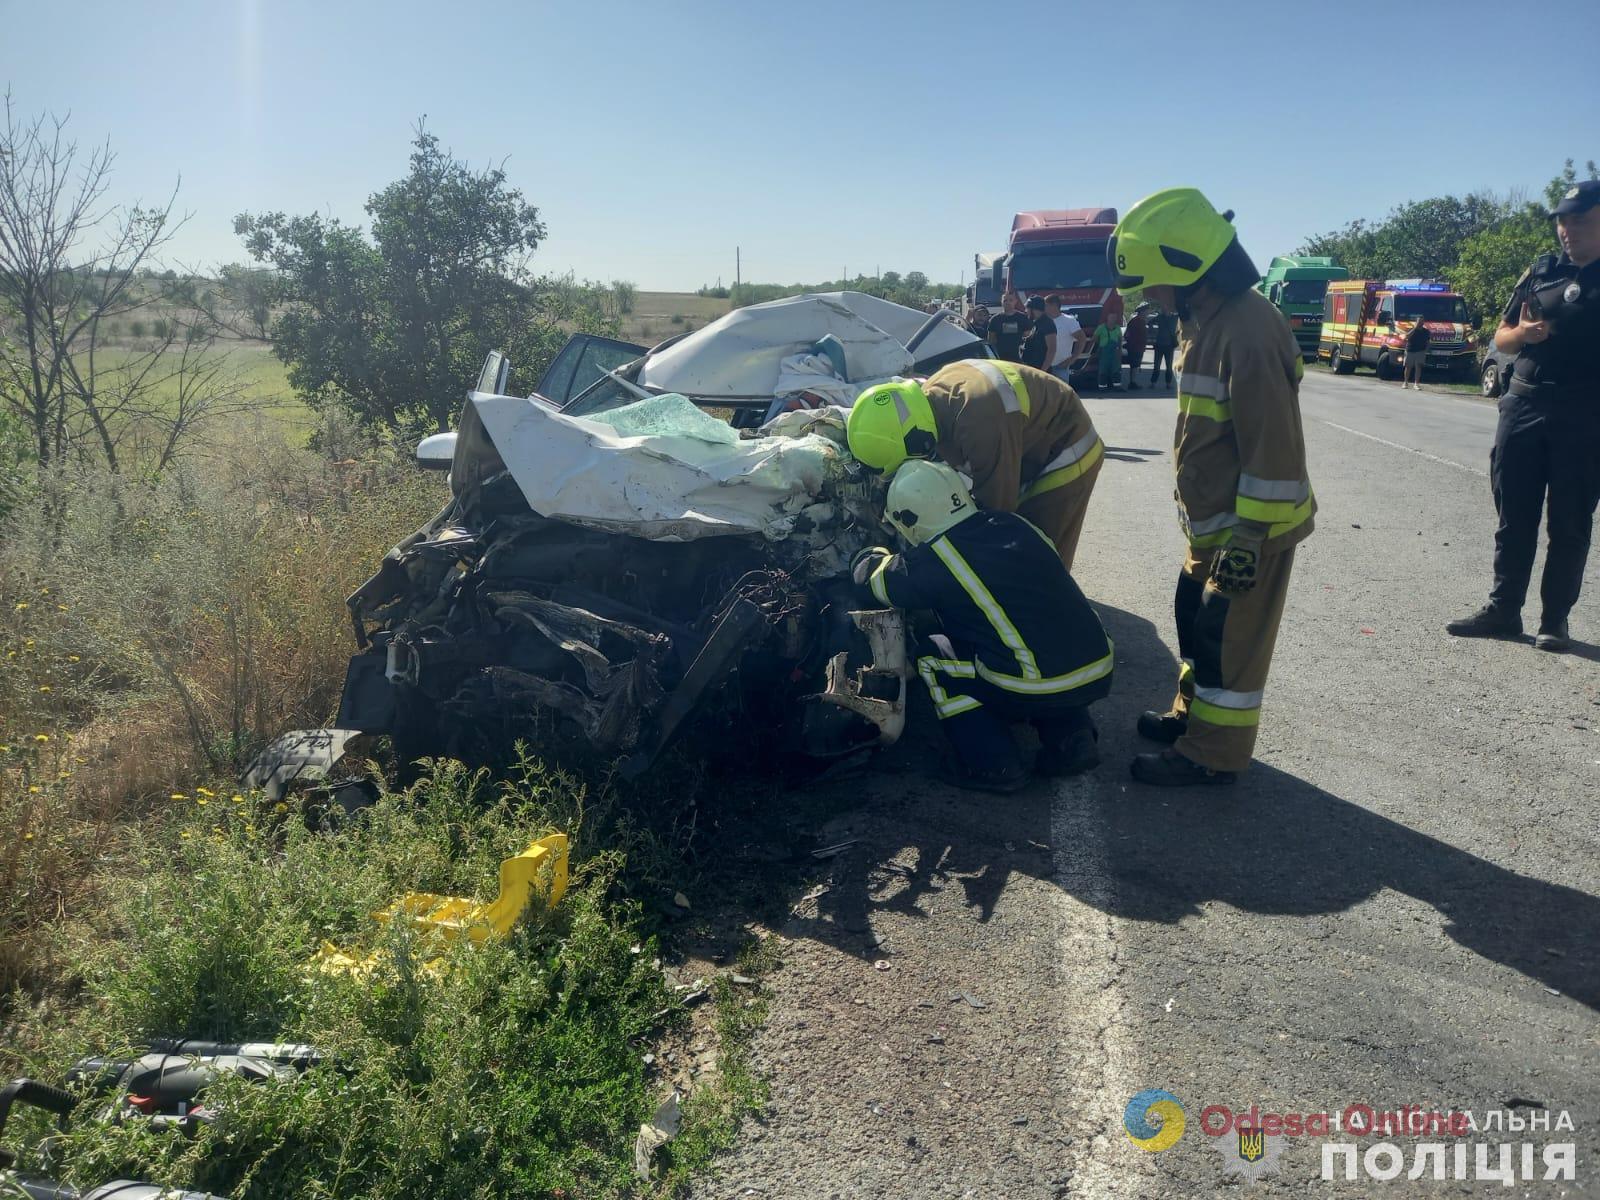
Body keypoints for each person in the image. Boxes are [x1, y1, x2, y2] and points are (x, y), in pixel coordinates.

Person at [1108, 187, 1316, 786]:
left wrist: (1250, 537)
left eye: (1151, 282)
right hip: (1216, 528)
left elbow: (1273, 447)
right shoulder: (1206, 318)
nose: (1147, 296)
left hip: (1249, 531)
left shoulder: (1246, 331)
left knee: (1228, 642)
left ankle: (1211, 755)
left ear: (1187, 265)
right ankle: (1190, 716)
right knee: (1195, 621)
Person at [851, 460, 1114, 791]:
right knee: (1037, 644)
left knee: (933, 654)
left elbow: (874, 582)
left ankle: (993, 763)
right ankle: (1072, 737)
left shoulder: (940, 559)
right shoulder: (1015, 524)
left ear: (909, 519)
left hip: (1036, 683)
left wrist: (867, 552)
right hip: (1097, 665)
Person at [1446, 179, 1600, 653]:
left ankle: (1555, 620)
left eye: (1578, 220)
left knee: (1570, 522)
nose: (1566, 230)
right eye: (1562, 220)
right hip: (1525, 403)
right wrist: (1524, 335)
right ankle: (1504, 610)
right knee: (1514, 515)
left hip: (1585, 413)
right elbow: (1501, 338)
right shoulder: (1540, 272)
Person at [846, 358, 1103, 569]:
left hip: (1068, 443)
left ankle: (1050, 618)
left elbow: (997, 510)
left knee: (1036, 549)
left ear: (918, 442)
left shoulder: (981, 421)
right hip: (1027, 441)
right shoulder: (929, 399)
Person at [1046, 294, 1084, 380]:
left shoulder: (1069, 321)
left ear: (1054, 306)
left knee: (1062, 393)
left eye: (1046, 305)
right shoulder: (1043, 321)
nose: (1043, 308)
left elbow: (1082, 339)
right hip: (1044, 366)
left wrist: (1072, 359)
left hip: (1061, 366)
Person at [987, 291, 1031, 363]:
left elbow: (1028, 339)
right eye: (1005, 300)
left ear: (1015, 302)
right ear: (1001, 302)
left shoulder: (1023, 318)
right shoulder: (994, 319)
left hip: (1019, 359)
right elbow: (991, 341)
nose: (1008, 302)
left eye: (1011, 300)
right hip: (1000, 359)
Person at [1021, 295, 1056, 369]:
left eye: (1027, 308)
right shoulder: (1036, 324)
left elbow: (1052, 349)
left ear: (1034, 309)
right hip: (1031, 368)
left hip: (1039, 371)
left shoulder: (1047, 324)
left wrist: (1042, 371)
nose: (1025, 311)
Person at [1148, 305, 1178, 387]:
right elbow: (1149, 322)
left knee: (1169, 366)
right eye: (1163, 308)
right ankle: (1153, 383)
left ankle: (1168, 383)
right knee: (1156, 366)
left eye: (1165, 308)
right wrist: (1152, 331)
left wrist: (1177, 333)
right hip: (1159, 345)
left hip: (1169, 345)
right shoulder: (1160, 317)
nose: (1164, 309)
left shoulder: (1175, 317)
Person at [1094, 311, 1123, 390]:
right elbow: (1095, 338)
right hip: (1104, 352)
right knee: (1103, 370)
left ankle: (1117, 386)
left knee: (1116, 369)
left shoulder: (1117, 328)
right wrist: (1100, 345)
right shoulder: (1101, 327)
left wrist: (1120, 350)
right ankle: (1102, 387)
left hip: (1115, 352)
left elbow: (1120, 339)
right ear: (1107, 318)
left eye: (1115, 318)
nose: (1113, 319)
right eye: (1112, 317)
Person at [1124, 303, 1149, 391]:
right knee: (1134, 366)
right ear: (1141, 312)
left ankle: (1133, 382)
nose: (1147, 313)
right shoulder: (1136, 321)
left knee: (1135, 366)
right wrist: (1132, 345)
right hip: (1135, 347)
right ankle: (1132, 382)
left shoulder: (1141, 321)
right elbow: (1128, 335)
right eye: (1146, 311)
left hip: (1138, 347)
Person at [1402, 313, 1430, 389]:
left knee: (1419, 367)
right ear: (1416, 322)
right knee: (1408, 367)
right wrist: (1415, 328)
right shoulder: (1410, 329)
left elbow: (1428, 342)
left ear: (1423, 322)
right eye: (1419, 322)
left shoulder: (1426, 331)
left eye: (1422, 321)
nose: (1420, 323)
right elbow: (1406, 337)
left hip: (1420, 351)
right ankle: (1405, 382)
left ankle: (1416, 384)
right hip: (1410, 350)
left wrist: (1426, 350)